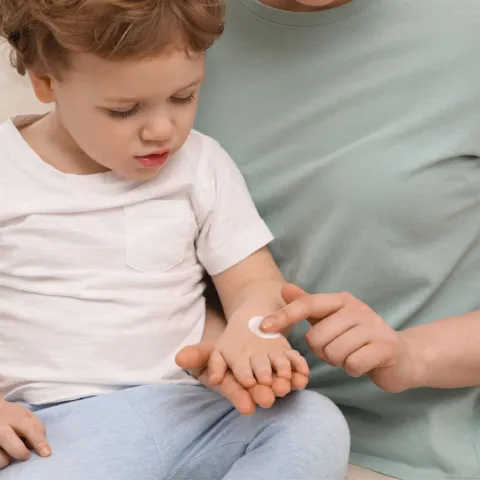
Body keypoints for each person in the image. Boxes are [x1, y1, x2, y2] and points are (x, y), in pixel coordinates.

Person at [0, 0, 350, 478]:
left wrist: (248, 333)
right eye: (124, 110)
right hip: (55, 431)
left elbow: (253, 283)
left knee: (313, 421)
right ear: (45, 82)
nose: (162, 129)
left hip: (194, 409)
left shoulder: (202, 166)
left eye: (184, 97)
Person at [176, 0, 480, 479]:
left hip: (397, 453)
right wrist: (220, 336)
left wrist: (412, 354)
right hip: (194, 426)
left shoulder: (466, 31)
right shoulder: (174, 23)